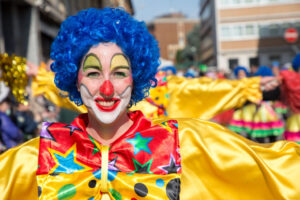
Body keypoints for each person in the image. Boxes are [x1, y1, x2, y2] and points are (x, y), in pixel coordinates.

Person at [1, 8, 300, 200]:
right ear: (74, 80)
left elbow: (279, 171)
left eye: (119, 73)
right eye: (93, 73)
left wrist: (248, 86)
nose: (107, 88)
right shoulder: (37, 157)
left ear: (137, 77)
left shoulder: (185, 145)